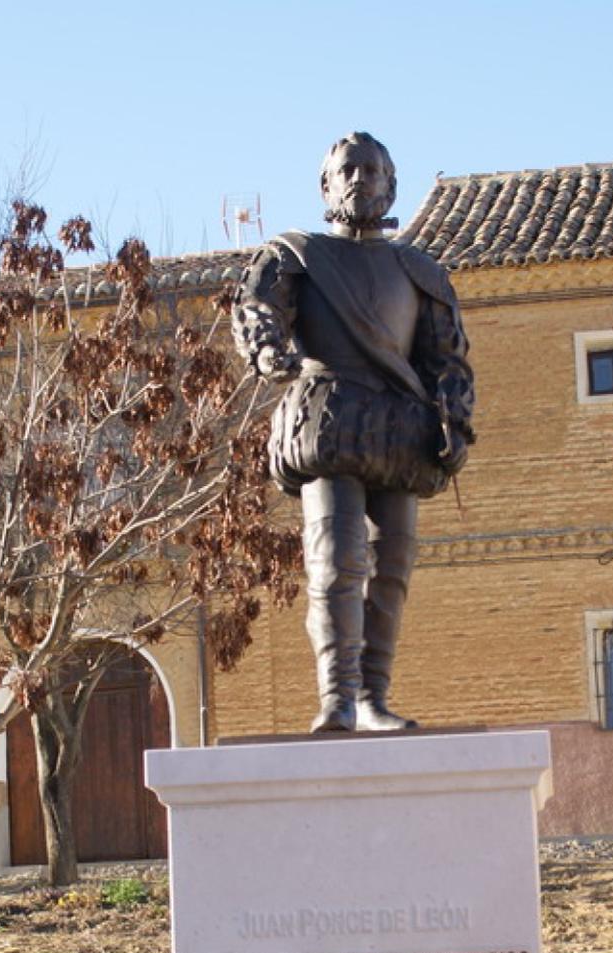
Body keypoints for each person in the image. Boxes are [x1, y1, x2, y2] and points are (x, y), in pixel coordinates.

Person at [231, 132, 476, 732]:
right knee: (336, 561)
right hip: (329, 421)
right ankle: (336, 700)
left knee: (392, 564)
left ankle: (373, 699)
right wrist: (268, 353)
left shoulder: (420, 272)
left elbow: (446, 357)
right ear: (326, 185)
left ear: (392, 185)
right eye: (348, 170)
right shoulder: (296, 254)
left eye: (372, 170)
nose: (360, 179)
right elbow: (257, 309)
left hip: (400, 429)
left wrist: (455, 420)